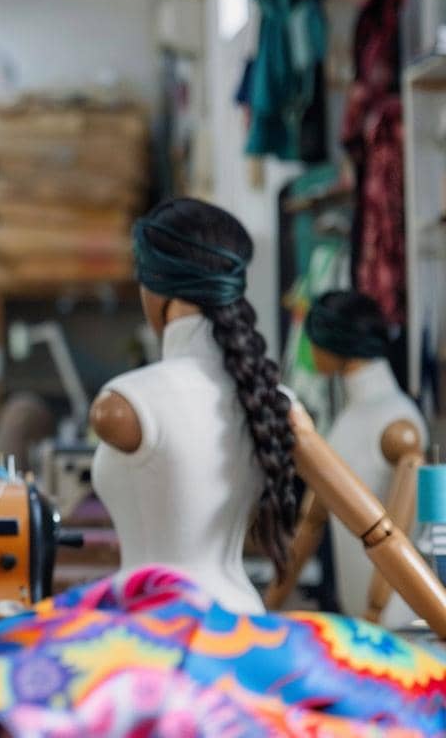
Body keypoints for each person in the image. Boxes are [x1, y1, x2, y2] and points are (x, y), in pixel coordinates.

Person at [89, 198, 297, 613]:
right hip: (242, 628)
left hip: (157, 632)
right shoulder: (275, 401)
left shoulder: (123, 405)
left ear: (155, 288)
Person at [305, 290, 426, 626]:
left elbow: (397, 534)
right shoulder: (353, 417)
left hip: (393, 617)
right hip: (359, 613)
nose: (309, 352)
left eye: (313, 340)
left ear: (335, 339)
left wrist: (373, 612)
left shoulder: (397, 422)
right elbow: (314, 519)